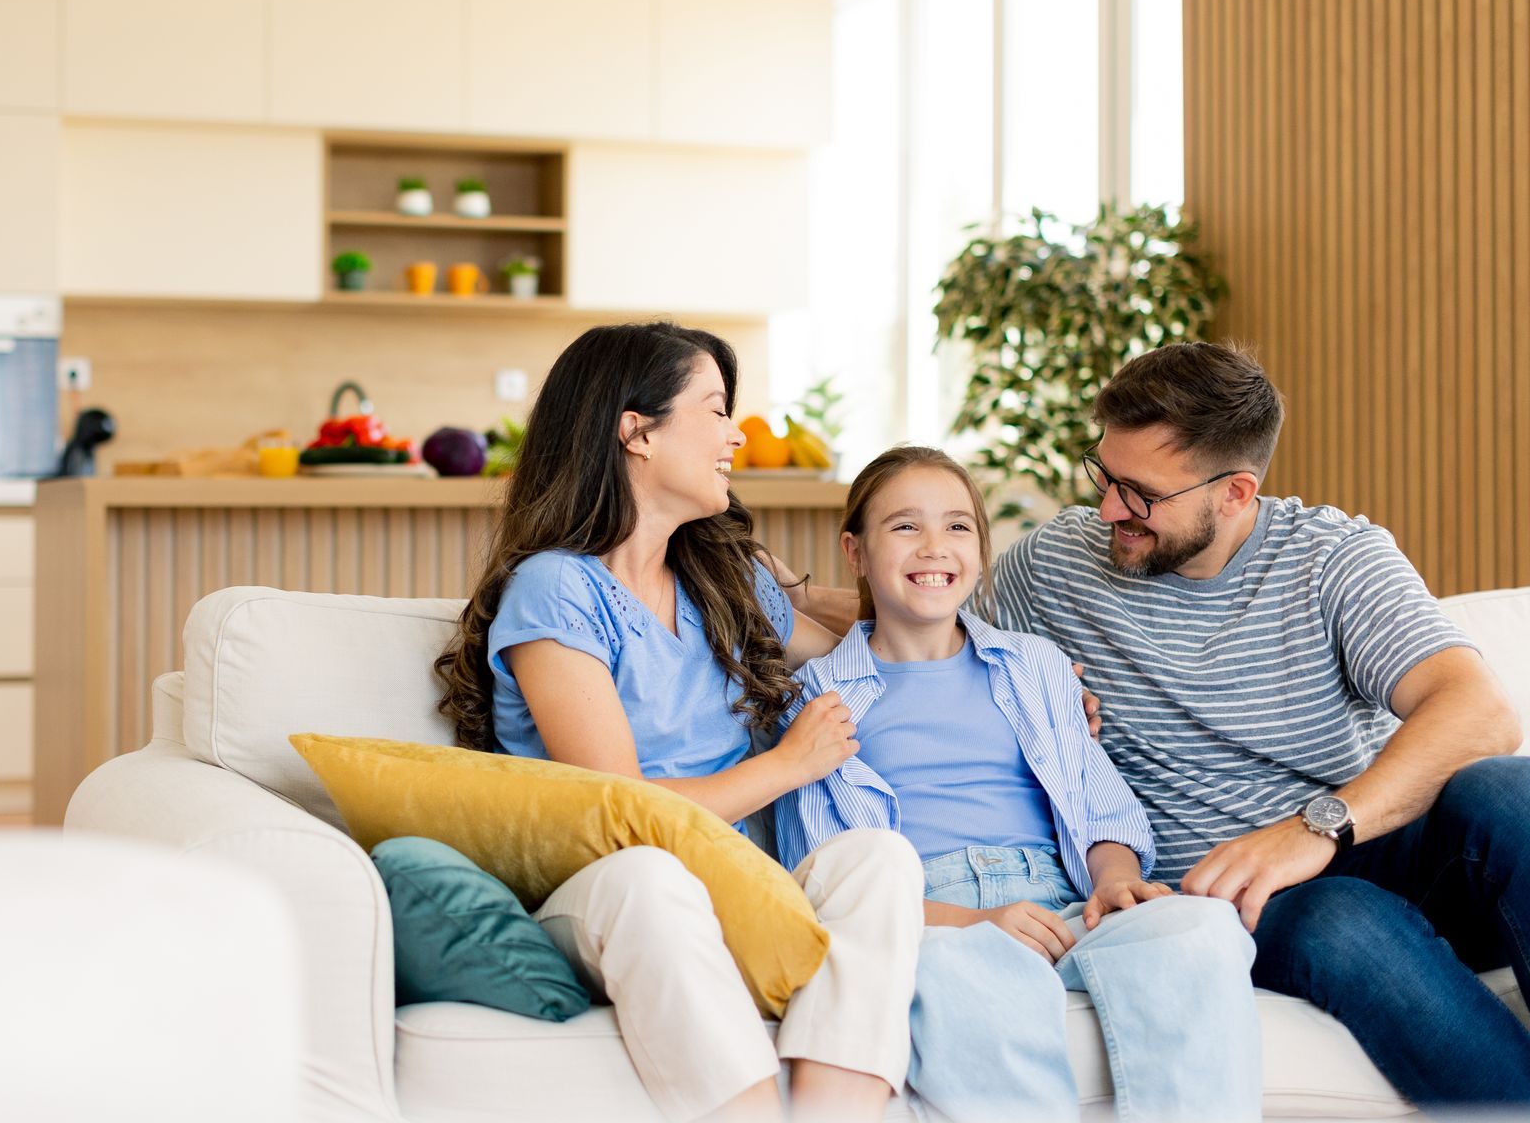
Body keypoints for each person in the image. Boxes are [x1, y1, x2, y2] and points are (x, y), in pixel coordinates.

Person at [778, 343, 1530, 1106]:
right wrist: (782, 602)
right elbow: (923, 625)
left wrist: (1311, 829)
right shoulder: (1055, 564)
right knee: (1343, 922)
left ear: (1235, 492)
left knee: (1510, 794)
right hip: (1229, 895)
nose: (1107, 510)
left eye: (1138, 494)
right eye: (1103, 475)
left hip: (1357, 840)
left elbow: (1481, 712)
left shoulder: (1332, 558)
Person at [433, 321, 926, 1123]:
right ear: (637, 433)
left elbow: (877, 655)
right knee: (650, 880)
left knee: (878, 859)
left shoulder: (718, 582)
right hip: (602, 890)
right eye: (715, 409)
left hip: (740, 882)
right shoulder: (558, 590)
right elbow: (618, 809)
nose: (737, 436)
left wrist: (1024, 675)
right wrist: (784, 766)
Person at [775, 445, 1261, 1122]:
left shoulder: (1034, 666)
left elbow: (1098, 807)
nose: (934, 547)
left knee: (1199, 930)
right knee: (965, 975)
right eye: (905, 527)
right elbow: (827, 881)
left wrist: (1116, 879)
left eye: (957, 526)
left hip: (1064, 903)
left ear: (980, 550)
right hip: (932, 916)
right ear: (854, 551)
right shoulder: (818, 694)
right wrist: (977, 921)